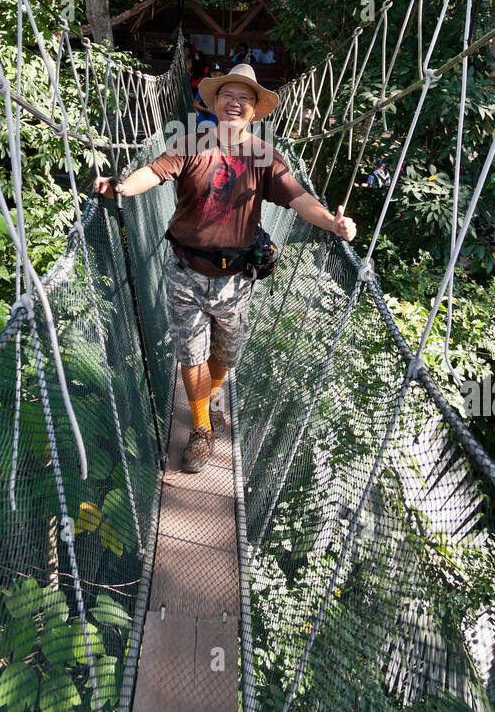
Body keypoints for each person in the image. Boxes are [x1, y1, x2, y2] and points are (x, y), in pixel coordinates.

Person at [94, 63, 357, 474]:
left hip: (235, 279)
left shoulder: (266, 157)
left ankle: (212, 396)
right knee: (191, 352)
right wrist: (124, 185)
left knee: (226, 354)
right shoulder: (191, 143)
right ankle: (201, 427)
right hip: (185, 269)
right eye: (228, 95)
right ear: (215, 102)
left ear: (254, 110)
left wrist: (332, 223)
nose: (235, 103)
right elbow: (154, 171)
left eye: (245, 98)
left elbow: (298, 199)